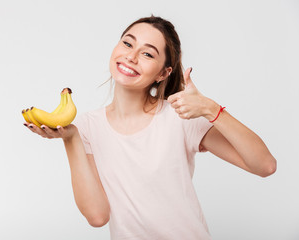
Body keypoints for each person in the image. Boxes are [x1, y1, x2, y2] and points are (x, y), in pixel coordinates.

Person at [23, 15, 277, 240]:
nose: (131, 56)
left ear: (163, 73)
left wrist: (212, 110)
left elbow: (264, 165)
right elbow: (97, 217)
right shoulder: (86, 126)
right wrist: (71, 139)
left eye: (147, 53)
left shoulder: (180, 116)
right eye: (127, 43)